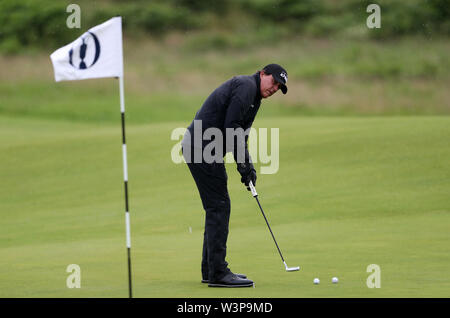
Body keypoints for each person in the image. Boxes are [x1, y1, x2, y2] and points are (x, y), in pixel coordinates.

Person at [181, 64, 288, 287]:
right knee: (219, 206)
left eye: (279, 87)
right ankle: (218, 272)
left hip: (205, 149)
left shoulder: (254, 98)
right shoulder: (246, 86)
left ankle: (211, 270)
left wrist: (247, 168)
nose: (275, 88)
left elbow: (240, 134)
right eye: (274, 82)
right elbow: (232, 127)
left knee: (215, 206)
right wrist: (244, 166)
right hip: (201, 147)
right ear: (262, 74)